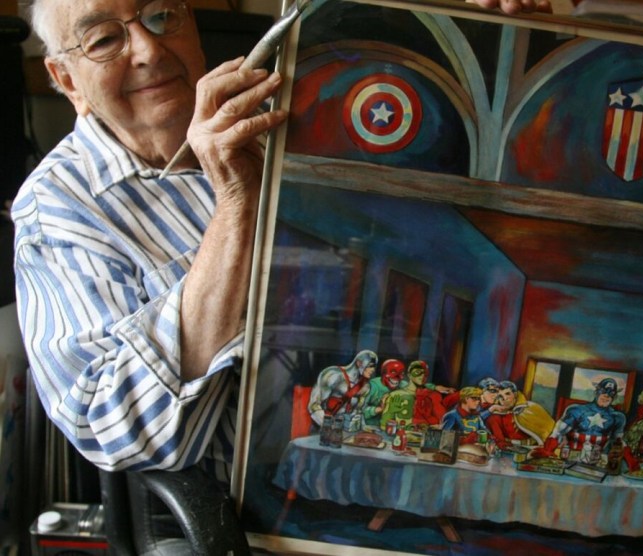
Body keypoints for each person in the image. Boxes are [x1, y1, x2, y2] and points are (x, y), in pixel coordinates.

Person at [12, 0, 544, 478]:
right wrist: (236, 203)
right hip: (253, 515)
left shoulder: (290, 109)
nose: (149, 49)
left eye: (162, 15)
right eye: (104, 39)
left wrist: (491, 30)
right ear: (67, 79)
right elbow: (118, 429)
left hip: (396, 460)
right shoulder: (59, 207)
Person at [531, 378, 626, 460]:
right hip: (571, 456)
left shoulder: (618, 417)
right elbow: (557, 433)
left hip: (598, 459)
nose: (606, 395)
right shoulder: (576, 410)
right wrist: (548, 450)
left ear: (614, 396)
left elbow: (617, 442)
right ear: (596, 392)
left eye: (611, 393)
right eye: (603, 391)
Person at [307, 349, 378, 425]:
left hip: (346, 428)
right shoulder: (333, 375)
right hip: (322, 425)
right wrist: (327, 425)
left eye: (374, 367)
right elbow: (314, 405)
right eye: (370, 366)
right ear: (359, 363)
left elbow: (358, 412)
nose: (373, 370)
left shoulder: (365, 387)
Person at [483, 380, 554, 449]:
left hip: (535, 448)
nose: (505, 398)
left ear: (515, 394)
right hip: (512, 450)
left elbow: (548, 431)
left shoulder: (531, 408)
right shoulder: (494, 417)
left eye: (507, 394)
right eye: (500, 396)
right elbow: (500, 442)